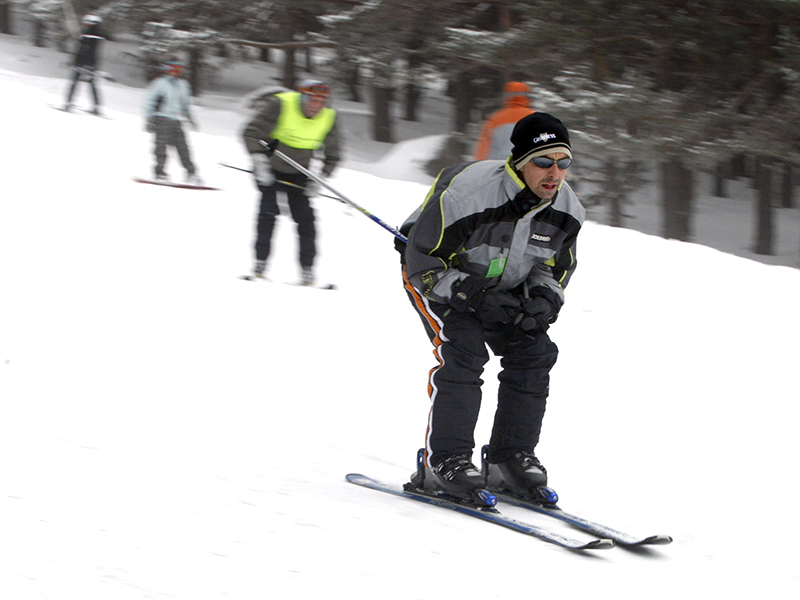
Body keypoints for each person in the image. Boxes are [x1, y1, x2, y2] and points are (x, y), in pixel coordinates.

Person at [397, 112, 585, 502]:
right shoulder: (469, 196)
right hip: (440, 281)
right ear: (520, 162)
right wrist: (474, 296)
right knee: (464, 350)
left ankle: (508, 459)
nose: (555, 172)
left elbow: (555, 268)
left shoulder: (566, 210)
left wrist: (543, 300)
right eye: (544, 161)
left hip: (506, 287)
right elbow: (423, 264)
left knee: (535, 352)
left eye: (563, 162)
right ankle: (444, 463)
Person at [241, 79, 342, 285]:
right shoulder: (281, 104)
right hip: (269, 167)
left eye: (321, 101)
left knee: (306, 219)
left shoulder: (329, 117)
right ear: (302, 97)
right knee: (268, 212)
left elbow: (333, 154)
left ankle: (307, 270)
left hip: (299, 173)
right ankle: (259, 265)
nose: (316, 105)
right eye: (311, 100)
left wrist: (320, 177)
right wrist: (258, 159)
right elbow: (250, 132)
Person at [144, 59, 201, 184]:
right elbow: (150, 101)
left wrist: (190, 118)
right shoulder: (160, 83)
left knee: (183, 147)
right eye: (173, 68)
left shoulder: (183, 85)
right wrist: (149, 119)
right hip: (161, 118)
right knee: (161, 146)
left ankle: (191, 172)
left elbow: (185, 104)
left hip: (176, 120)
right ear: (167, 69)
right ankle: (159, 171)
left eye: (179, 69)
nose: (176, 72)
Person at [472, 81, 535, 160]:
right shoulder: (536, 118)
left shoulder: (494, 119)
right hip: (526, 166)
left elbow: (483, 150)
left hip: (500, 166)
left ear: (506, 96)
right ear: (527, 96)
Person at [63, 15, 105, 115]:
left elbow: (86, 51)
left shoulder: (92, 37)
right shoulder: (89, 35)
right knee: (91, 85)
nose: (85, 25)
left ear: (92, 24)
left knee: (75, 83)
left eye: (87, 23)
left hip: (84, 64)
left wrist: (80, 40)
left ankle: (68, 103)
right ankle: (96, 107)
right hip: (89, 64)